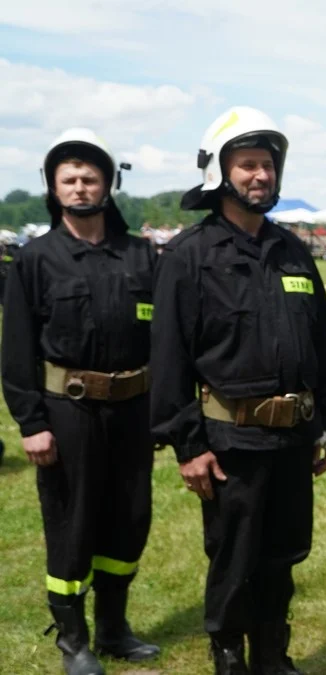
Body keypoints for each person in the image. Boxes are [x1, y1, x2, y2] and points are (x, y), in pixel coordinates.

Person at [150, 107, 326, 674]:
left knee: (282, 556)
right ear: (220, 172)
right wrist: (188, 444)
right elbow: (169, 359)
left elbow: (323, 344)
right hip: (229, 441)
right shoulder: (189, 255)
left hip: (292, 441)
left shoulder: (293, 251)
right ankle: (229, 654)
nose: (261, 175)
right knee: (234, 557)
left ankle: (271, 654)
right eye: (247, 165)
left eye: (267, 165)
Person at [2, 130, 158, 675]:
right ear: (52, 187)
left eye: (90, 178)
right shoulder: (36, 259)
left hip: (132, 411)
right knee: (72, 522)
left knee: (129, 518)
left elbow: (164, 341)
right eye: (68, 179)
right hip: (67, 413)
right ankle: (73, 640)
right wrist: (31, 422)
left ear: (108, 185)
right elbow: (17, 349)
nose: (79, 187)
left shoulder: (140, 255)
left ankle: (115, 629)